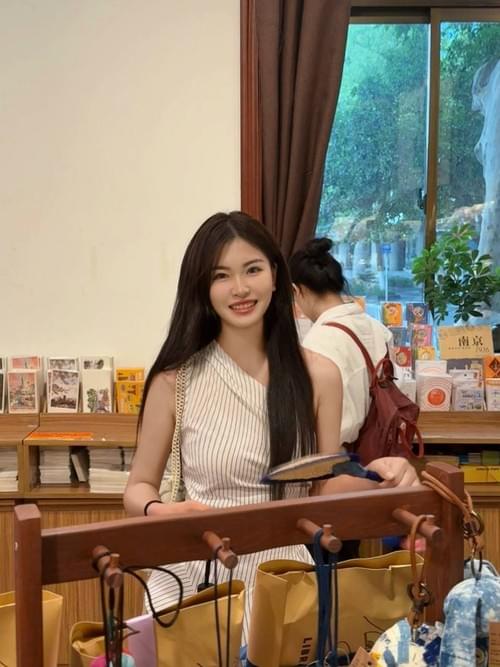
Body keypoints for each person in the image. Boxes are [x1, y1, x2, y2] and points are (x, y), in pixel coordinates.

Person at [124, 212, 419, 636]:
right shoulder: (175, 380)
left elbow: (320, 486)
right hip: (193, 579)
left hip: (283, 582)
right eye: (221, 275)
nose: (240, 288)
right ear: (202, 287)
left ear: (276, 276)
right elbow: (137, 488)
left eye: (253, 269)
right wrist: (164, 511)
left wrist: (378, 476)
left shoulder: (320, 375)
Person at [289, 237, 395, 449]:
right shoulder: (378, 330)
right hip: (379, 450)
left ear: (296, 291)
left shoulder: (316, 344)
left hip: (338, 456)